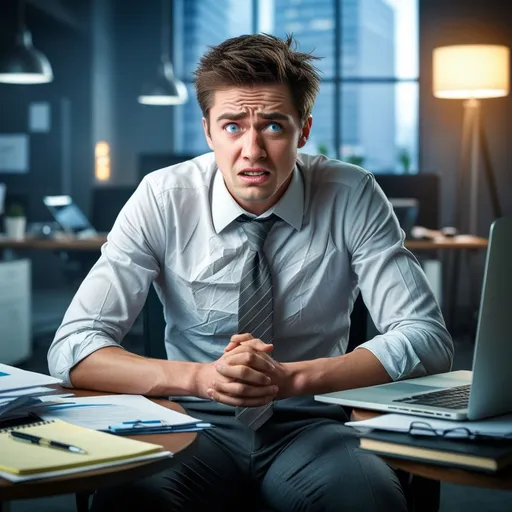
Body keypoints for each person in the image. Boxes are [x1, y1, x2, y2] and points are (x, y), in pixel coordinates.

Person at [48, 33, 453, 511]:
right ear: (208, 132)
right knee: (127, 502)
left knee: (368, 501)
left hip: (313, 425)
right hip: (191, 422)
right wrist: (202, 379)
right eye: (233, 126)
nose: (253, 150)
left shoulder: (352, 193)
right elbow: (74, 346)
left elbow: (428, 337)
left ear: (303, 131)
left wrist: (289, 380)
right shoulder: (162, 197)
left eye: (274, 127)